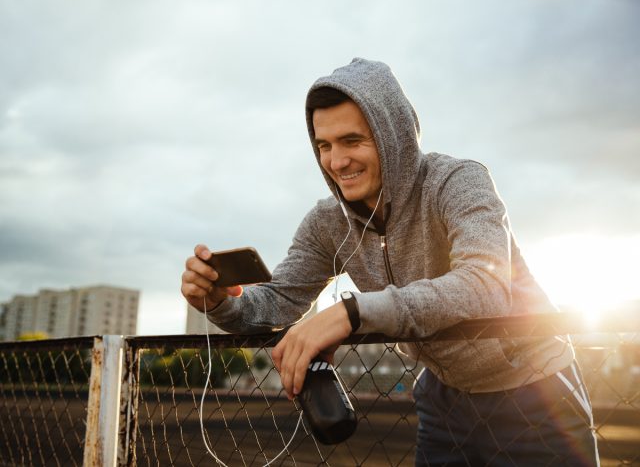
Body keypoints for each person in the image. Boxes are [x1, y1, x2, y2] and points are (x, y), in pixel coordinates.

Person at [181, 58, 599, 465]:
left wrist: (352, 313)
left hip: (536, 392)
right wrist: (220, 301)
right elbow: (277, 301)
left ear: (393, 136)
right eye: (324, 146)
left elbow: (483, 287)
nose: (337, 161)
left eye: (352, 141)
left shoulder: (458, 182)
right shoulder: (327, 222)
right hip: (444, 400)